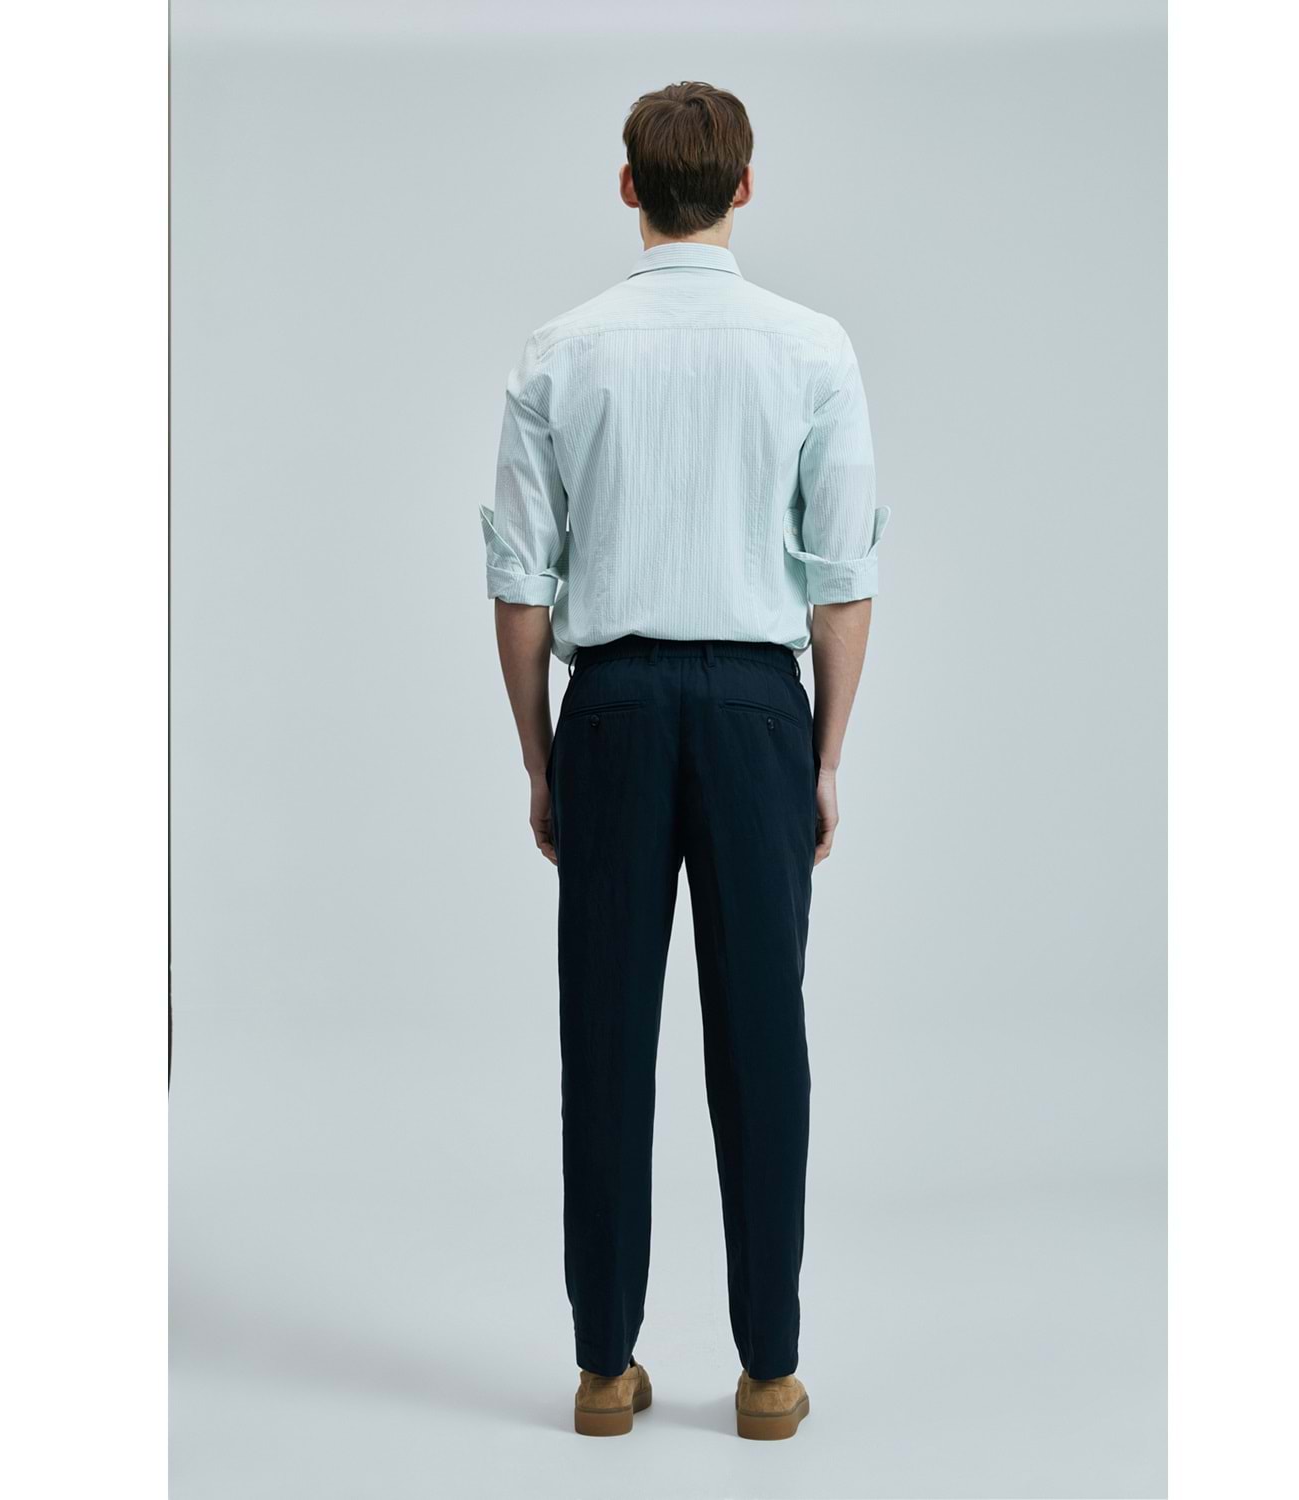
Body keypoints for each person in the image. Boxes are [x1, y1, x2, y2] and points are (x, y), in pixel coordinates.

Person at [483, 80, 886, 1441]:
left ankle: (605, 1368)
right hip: (759, 711)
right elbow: (841, 576)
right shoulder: (812, 348)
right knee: (763, 1041)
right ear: (745, 187)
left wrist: (542, 760)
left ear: (629, 188)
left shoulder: (561, 352)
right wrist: (823, 757)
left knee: (604, 1037)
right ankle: (769, 1373)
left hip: (612, 705)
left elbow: (521, 586)